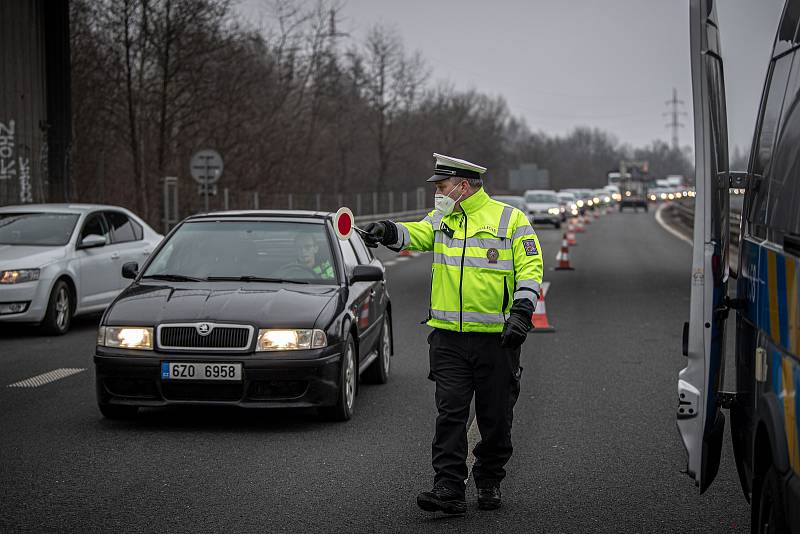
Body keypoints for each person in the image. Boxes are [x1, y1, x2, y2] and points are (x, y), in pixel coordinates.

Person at [363, 153, 543, 514]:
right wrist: (387, 230)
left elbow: (530, 267)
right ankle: (448, 487)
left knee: (494, 418)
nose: (437, 194)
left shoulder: (511, 220)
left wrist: (522, 312)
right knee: (450, 414)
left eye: (442, 187)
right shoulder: (443, 217)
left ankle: (490, 479)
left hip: (497, 339)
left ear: (463, 186)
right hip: (448, 339)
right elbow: (417, 233)